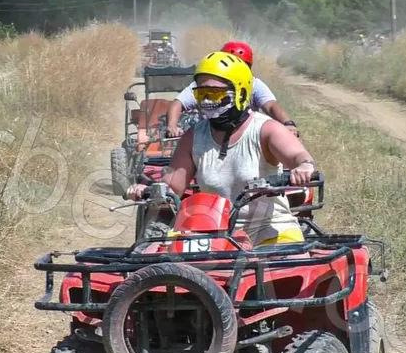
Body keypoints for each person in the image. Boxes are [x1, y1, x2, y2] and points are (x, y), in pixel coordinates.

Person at [126, 50, 316, 247]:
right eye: (202, 94)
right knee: (159, 263)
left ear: (241, 93)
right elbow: (173, 186)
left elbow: (298, 156)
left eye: (215, 93)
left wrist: (304, 166)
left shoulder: (266, 129)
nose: (207, 101)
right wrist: (149, 190)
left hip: (270, 231)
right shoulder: (193, 136)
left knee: (289, 270)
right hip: (213, 234)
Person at [164, 41, 299, 138]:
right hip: (209, 135)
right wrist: (172, 125)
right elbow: (178, 103)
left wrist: (288, 124)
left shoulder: (254, 85)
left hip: (245, 136)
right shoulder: (207, 85)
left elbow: (271, 106)